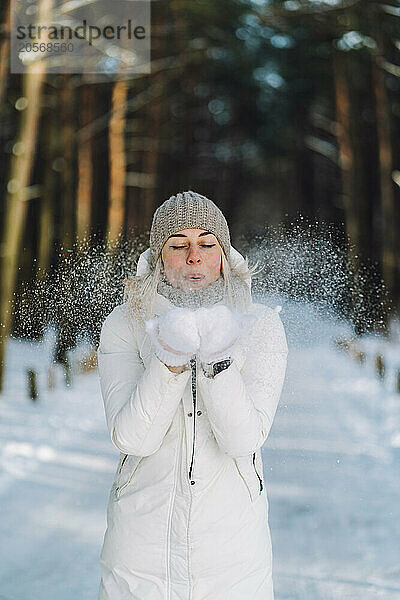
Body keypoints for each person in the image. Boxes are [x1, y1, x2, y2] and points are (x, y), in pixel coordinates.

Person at [97, 190, 289, 600]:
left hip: (235, 556)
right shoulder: (125, 325)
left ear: (223, 251)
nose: (194, 256)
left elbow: (243, 439)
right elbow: (133, 438)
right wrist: (169, 361)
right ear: (158, 255)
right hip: (139, 557)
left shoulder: (259, 327)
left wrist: (218, 362)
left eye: (206, 243)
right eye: (178, 244)